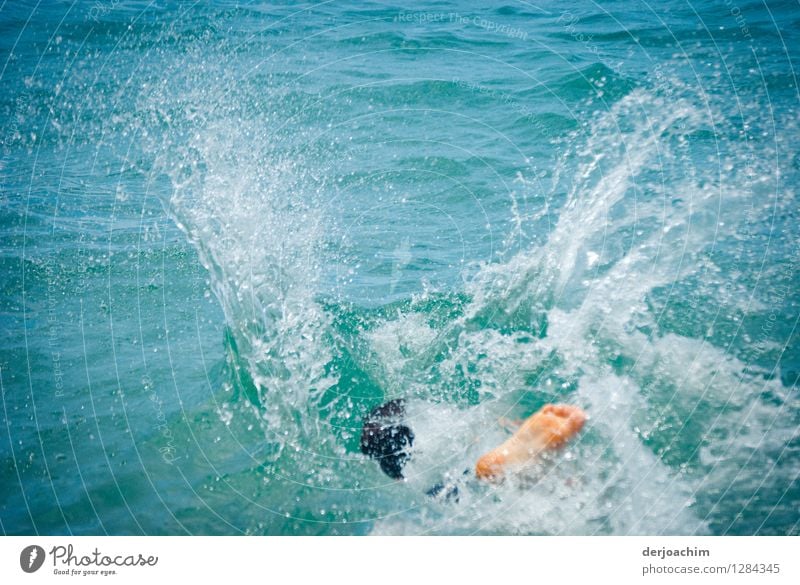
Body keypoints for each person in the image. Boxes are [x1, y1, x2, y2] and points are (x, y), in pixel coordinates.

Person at [360, 400, 586, 483]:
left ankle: (490, 469)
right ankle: (512, 432)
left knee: (455, 487)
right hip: (447, 428)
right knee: (480, 429)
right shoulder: (421, 413)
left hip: (420, 473)